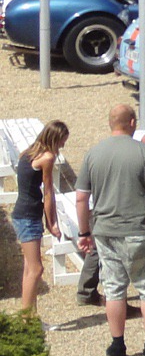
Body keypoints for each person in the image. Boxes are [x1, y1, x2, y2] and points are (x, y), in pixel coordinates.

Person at [75, 104, 145, 356]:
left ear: (110, 123)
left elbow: (81, 198)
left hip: (106, 231)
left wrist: (84, 232)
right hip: (140, 230)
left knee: (113, 288)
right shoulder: (144, 152)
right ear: (132, 122)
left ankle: (117, 346)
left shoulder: (93, 154)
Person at [12, 120, 69, 316]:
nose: (63, 145)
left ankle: (30, 316)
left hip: (22, 213)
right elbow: (48, 193)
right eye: (62, 141)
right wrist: (52, 223)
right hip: (29, 216)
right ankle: (26, 319)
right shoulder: (47, 157)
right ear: (55, 139)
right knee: (36, 269)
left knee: (29, 269)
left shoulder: (28, 153)